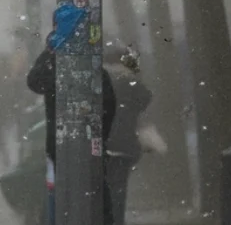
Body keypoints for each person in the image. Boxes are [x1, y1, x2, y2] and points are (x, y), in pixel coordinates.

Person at [27, 38, 117, 225]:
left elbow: (35, 81)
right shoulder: (89, 63)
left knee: (66, 199)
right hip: (86, 145)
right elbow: (109, 104)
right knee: (95, 198)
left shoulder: (54, 66)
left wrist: (50, 52)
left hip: (63, 145)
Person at [104, 47, 153, 225]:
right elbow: (146, 99)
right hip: (125, 144)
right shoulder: (130, 83)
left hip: (103, 145)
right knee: (118, 189)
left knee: (103, 188)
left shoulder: (101, 81)